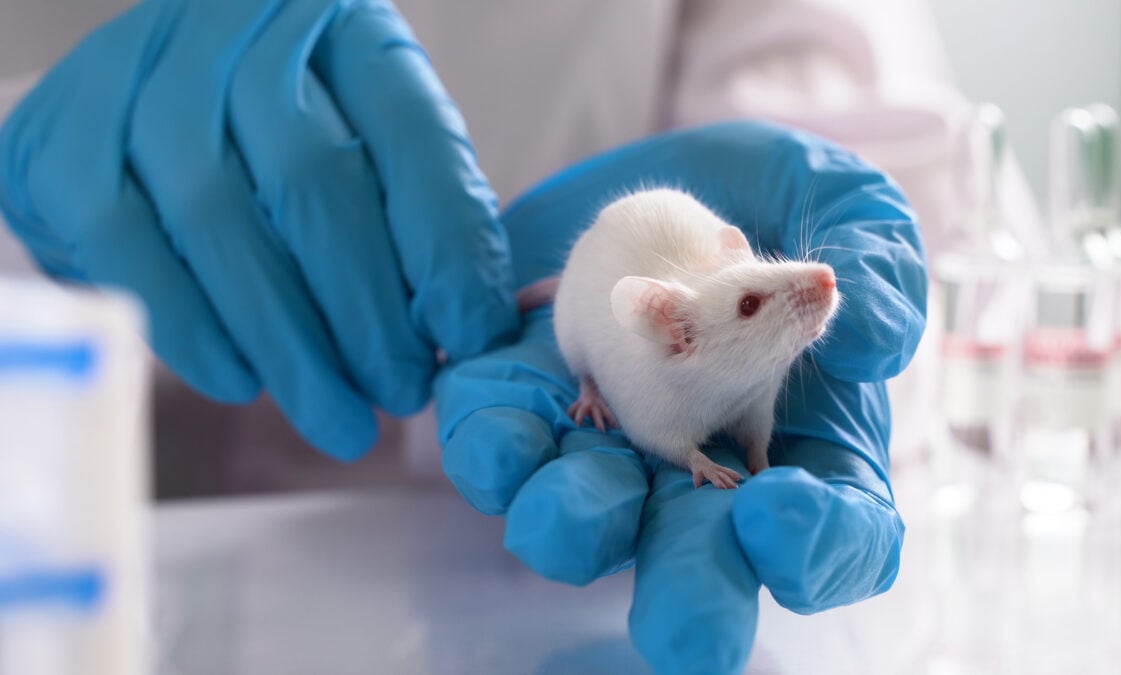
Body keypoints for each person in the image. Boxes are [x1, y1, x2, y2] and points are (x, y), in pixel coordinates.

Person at [0, 1, 1035, 672]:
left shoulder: (710, 313)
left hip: (546, 619)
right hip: (122, 575)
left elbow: (913, 163)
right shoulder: (659, 341)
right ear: (672, 333)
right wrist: (29, 159)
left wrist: (850, 211)